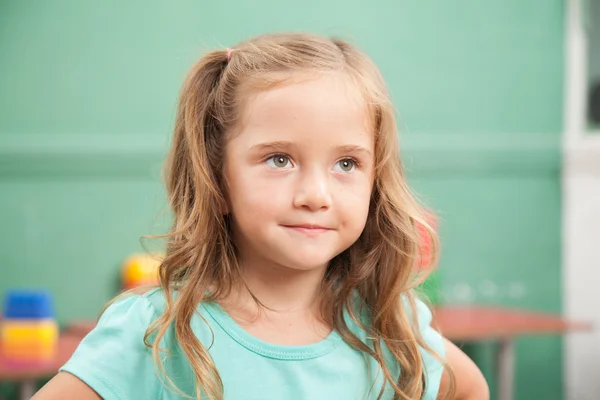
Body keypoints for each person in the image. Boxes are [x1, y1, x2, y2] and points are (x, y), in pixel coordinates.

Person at [34, 33, 488, 400]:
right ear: (217, 177)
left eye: (346, 164)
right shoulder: (156, 332)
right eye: (279, 159)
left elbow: (469, 389)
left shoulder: (391, 324)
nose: (316, 195)